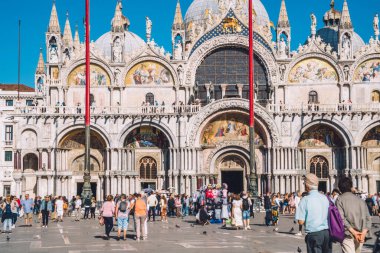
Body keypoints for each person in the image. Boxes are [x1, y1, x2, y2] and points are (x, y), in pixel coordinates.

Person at [296, 173, 331, 253]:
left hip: (314, 234)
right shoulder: (325, 198)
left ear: (307, 186)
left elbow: (301, 221)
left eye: (304, 184)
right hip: (326, 233)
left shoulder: (305, 200)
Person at [336, 177, 372, 253]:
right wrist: (364, 233)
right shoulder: (361, 200)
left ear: (339, 188)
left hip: (347, 234)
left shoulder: (339, 199)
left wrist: (353, 232)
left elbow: (341, 219)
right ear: (351, 187)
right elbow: (368, 218)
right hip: (360, 234)